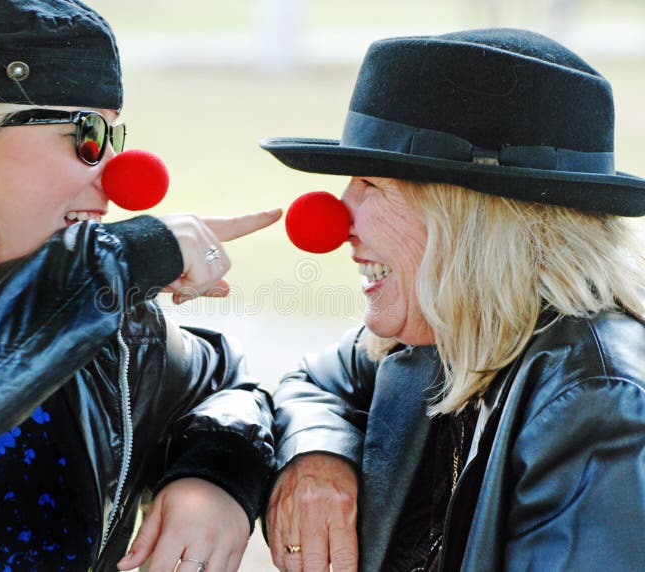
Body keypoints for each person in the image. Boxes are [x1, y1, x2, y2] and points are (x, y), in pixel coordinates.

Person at [0, 1, 280, 571]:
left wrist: (218, 472)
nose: (124, 181)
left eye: (115, 136)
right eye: (87, 134)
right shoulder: (90, 290)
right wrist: (123, 260)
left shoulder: (105, 326)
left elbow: (229, 383)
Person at [260, 28, 645, 571]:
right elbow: (311, 383)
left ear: (469, 219)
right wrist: (317, 455)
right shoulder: (440, 333)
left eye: (370, 183)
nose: (335, 221)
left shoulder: (595, 400)